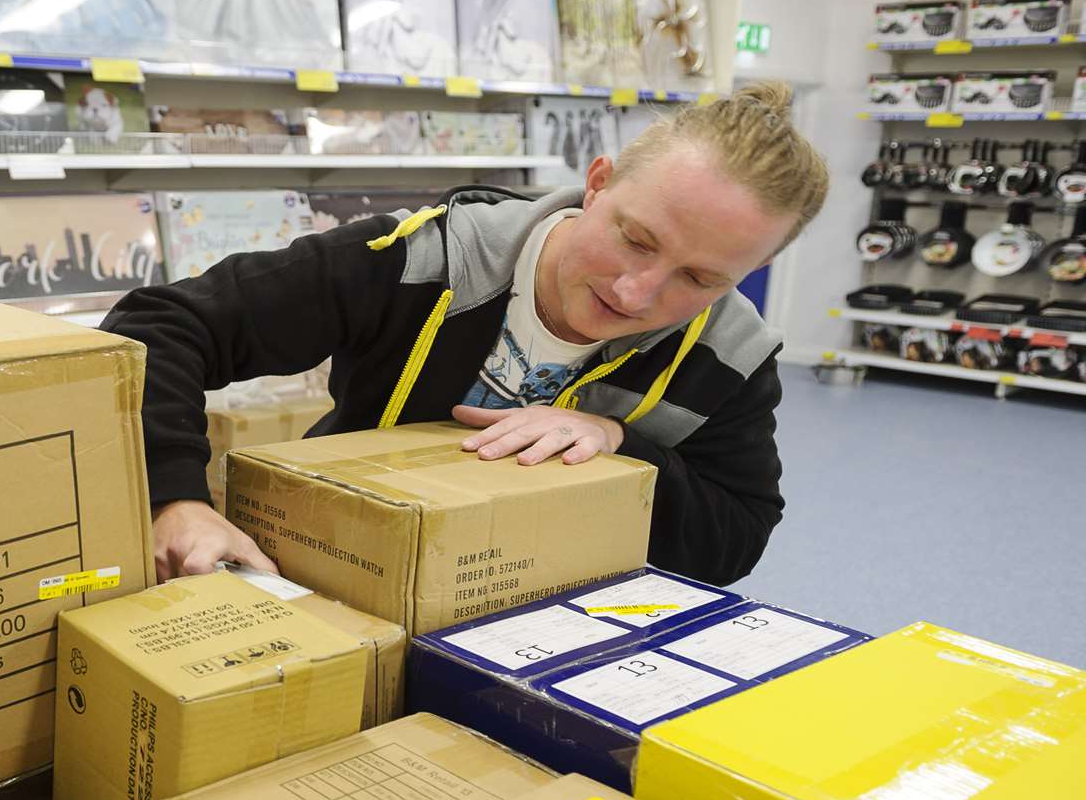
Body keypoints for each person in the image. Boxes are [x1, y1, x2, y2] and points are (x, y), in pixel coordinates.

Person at [102, 82, 829, 586]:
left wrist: (621, 447)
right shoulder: (420, 257)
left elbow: (736, 535)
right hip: (342, 568)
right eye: (636, 240)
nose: (638, 292)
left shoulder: (732, 356)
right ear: (599, 183)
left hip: (547, 611)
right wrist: (178, 497)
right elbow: (159, 324)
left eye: (699, 280)